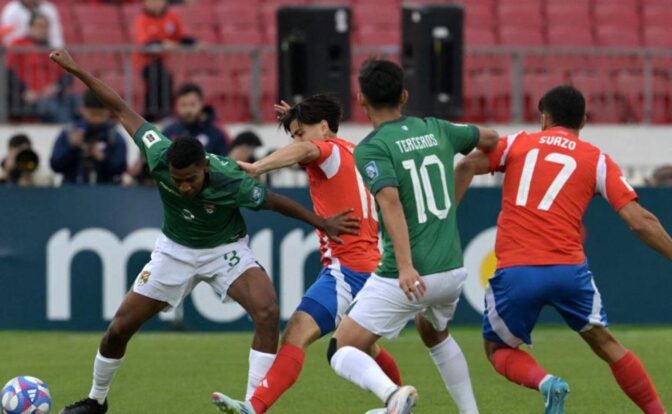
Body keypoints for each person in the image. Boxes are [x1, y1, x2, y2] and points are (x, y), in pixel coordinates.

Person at [49, 48, 359, 414]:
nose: (183, 187)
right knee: (118, 328)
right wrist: (76, 68)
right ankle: (96, 401)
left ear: (205, 170)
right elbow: (120, 108)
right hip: (174, 251)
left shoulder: (228, 177)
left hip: (225, 251)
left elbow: (274, 201)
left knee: (267, 311)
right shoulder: (158, 152)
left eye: (191, 180)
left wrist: (321, 222)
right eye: (177, 181)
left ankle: (250, 406)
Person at [454, 85, 672, 414]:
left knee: (496, 349)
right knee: (607, 344)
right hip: (569, 272)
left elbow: (466, 167)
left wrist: (443, 223)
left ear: (544, 117)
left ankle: (546, 383)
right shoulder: (597, 160)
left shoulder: (517, 144)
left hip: (517, 271)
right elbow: (639, 221)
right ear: (583, 121)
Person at [211, 95, 403, 414]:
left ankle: (253, 408)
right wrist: (299, 120)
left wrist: (260, 166)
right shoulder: (355, 151)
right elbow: (309, 141)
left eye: (300, 132)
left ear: (325, 128)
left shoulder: (325, 150)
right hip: (372, 266)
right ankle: (398, 398)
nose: (297, 141)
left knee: (297, 332)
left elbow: (309, 148)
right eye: (294, 134)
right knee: (365, 345)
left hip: (348, 269)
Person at [327, 58, 499, 414]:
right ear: (404, 95)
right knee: (433, 333)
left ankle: (393, 397)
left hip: (408, 275)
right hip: (451, 271)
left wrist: (405, 266)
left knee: (340, 349)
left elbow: (390, 202)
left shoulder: (372, 148)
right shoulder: (436, 128)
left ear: (360, 99)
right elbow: (491, 139)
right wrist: (454, 190)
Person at [6, 13, 74, 122]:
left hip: (53, 96)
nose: (43, 30)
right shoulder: (18, 45)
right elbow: (7, 72)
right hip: (29, 98)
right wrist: (23, 91)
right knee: (53, 108)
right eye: (39, 26)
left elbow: (68, 75)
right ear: (30, 28)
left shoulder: (53, 49)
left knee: (77, 101)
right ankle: (69, 135)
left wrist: (56, 86)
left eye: (46, 27)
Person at [50, 91, 128, 185]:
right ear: (83, 109)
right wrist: (71, 148)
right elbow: (55, 165)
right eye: (93, 114)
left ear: (107, 111)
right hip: (73, 191)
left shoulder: (114, 136)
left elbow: (121, 167)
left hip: (106, 192)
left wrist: (102, 158)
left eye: (100, 114)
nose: (96, 119)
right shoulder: (69, 132)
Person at [134, 0, 194, 120]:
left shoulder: (172, 16)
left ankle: (166, 113)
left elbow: (182, 37)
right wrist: (163, 44)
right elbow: (144, 43)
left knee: (166, 78)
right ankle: (151, 114)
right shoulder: (142, 19)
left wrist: (193, 43)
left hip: (167, 62)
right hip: (146, 62)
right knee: (156, 78)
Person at [163, 82, 230, 156]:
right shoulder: (168, 132)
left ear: (201, 104)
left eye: (192, 104)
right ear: (177, 106)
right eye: (183, 105)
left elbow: (224, 162)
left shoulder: (217, 133)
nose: (188, 110)